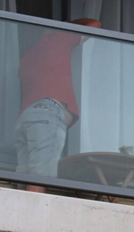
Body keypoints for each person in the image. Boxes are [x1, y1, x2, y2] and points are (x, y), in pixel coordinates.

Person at [14, 17, 102, 192]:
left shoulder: (27, 58)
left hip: (25, 118)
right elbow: (95, 24)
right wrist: (68, 24)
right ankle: (35, 217)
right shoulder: (57, 38)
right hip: (47, 113)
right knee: (41, 174)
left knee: (25, 176)